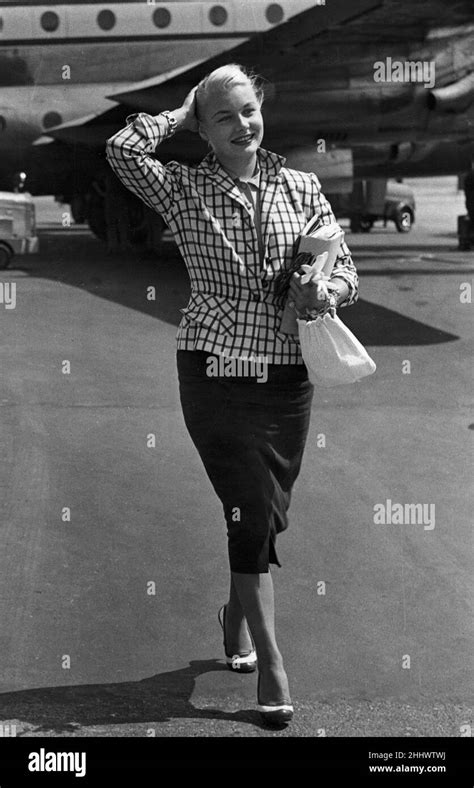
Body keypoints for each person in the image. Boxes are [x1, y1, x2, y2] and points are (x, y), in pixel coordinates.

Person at [106, 64, 359, 726]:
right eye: (224, 117)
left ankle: (235, 616)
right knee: (247, 504)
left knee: (263, 515)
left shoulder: (301, 184)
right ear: (204, 128)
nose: (242, 124)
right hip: (213, 366)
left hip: (285, 373)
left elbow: (346, 272)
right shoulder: (184, 187)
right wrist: (181, 114)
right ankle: (273, 670)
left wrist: (323, 290)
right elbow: (121, 151)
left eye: (248, 110)